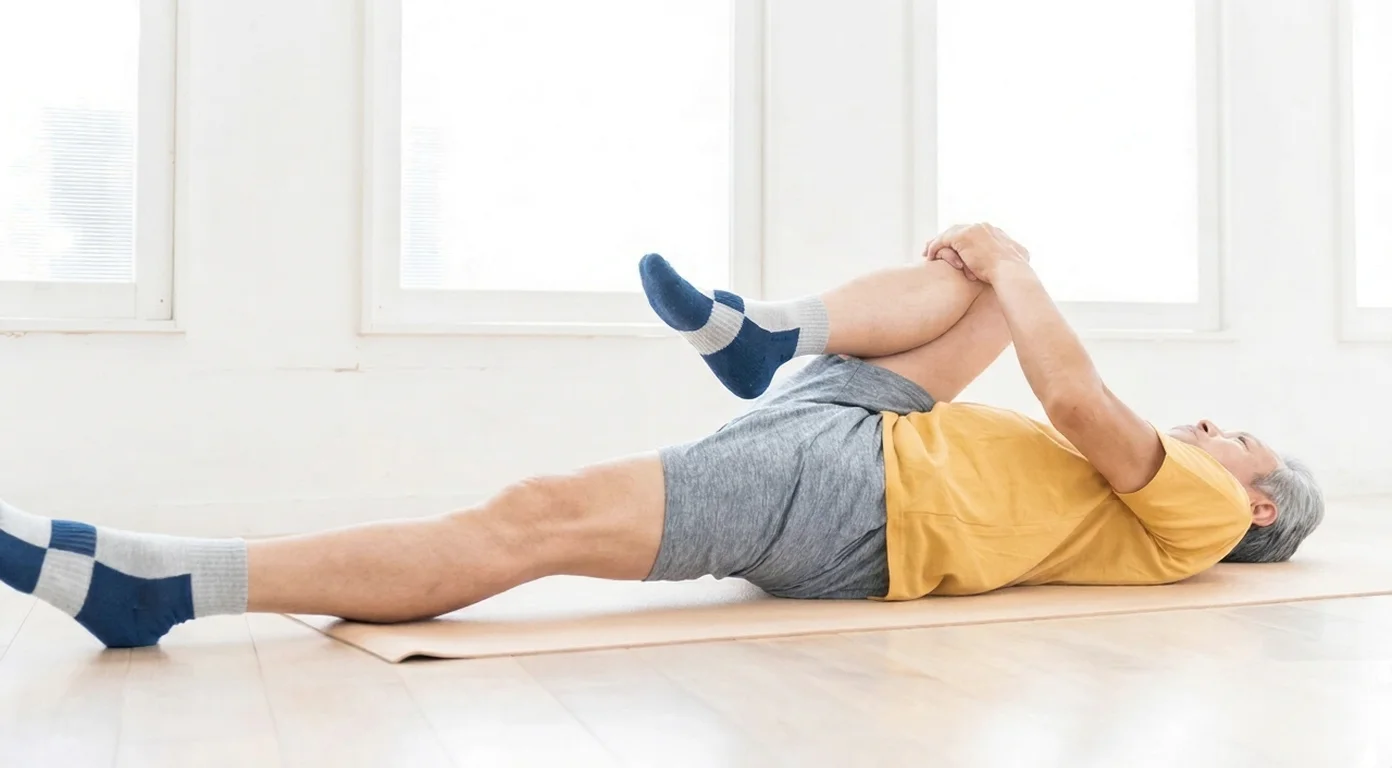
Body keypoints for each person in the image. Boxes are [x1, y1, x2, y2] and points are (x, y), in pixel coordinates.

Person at [0, 223, 1324, 649]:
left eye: (1239, 438)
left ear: (1257, 508)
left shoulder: (1205, 525)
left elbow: (1079, 402)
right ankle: (765, 334)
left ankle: (164, 585)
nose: (1211, 429)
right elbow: (1044, 375)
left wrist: (1027, 265)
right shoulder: (1176, 499)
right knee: (973, 277)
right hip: (870, 423)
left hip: (857, 495)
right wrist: (1001, 267)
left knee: (531, 522)